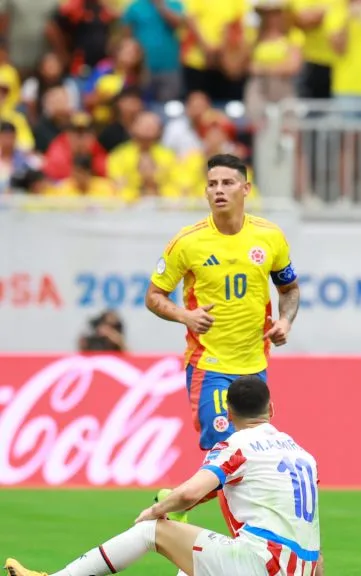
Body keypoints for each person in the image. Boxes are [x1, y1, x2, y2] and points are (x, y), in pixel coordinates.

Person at [4, 375, 323, 576]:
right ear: (272, 409)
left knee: (152, 532)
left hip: (259, 563)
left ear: (228, 413)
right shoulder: (304, 456)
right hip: (301, 568)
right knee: (193, 564)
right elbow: (313, 539)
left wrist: (156, 512)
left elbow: (188, 493)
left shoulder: (237, 444)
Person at [144, 153, 300, 534]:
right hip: (209, 365)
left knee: (248, 459)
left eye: (227, 183)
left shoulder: (269, 236)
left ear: (246, 189)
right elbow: (153, 295)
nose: (218, 191)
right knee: (227, 452)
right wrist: (185, 315)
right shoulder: (188, 242)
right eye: (212, 184)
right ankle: (239, 536)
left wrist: (285, 320)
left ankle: (181, 500)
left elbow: (289, 288)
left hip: (255, 366)